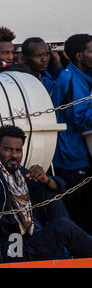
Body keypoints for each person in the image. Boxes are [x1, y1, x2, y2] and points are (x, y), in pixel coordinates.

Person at [0, 125, 92, 264]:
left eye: (18, 150)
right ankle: (69, 250)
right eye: (8, 150)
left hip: (25, 236)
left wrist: (46, 179)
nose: (14, 155)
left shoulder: (17, 172)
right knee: (64, 228)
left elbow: (59, 187)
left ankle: (65, 251)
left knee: (48, 194)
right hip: (9, 247)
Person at [51, 34, 92, 234]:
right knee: (74, 213)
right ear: (78, 56)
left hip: (79, 153)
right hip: (72, 156)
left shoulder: (81, 77)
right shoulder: (71, 79)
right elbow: (83, 118)